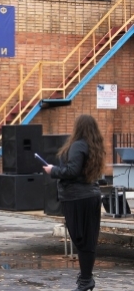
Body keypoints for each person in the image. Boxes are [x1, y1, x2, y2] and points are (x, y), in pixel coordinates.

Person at [43, 114, 105, 291]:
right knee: (87, 240)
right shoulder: (94, 146)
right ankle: (86, 279)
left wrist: (53, 170)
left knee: (81, 239)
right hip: (90, 195)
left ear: (79, 127)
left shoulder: (78, 145)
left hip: (77, 197)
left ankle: (86, 280)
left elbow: (72, 170)